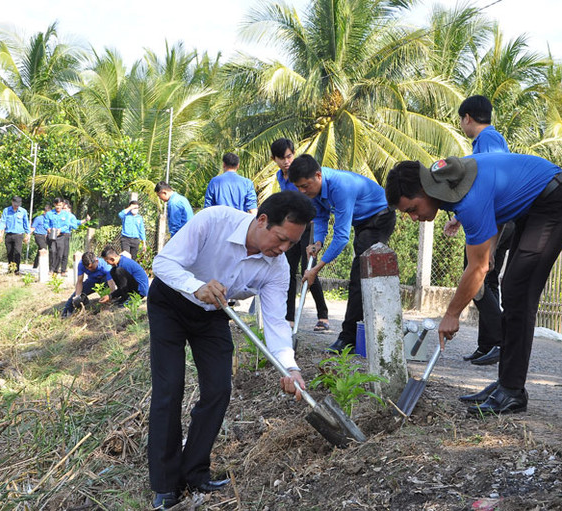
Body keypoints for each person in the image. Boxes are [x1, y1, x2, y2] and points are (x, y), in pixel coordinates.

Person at [147, 191, 314, 509]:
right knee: (169, 388)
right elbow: (163, 263)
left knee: (219, 388)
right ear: (262, 220)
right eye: (280, 239)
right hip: (170, 301)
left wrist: (290, 367)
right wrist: (196, 286)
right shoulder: (214, 220)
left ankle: (194, 472)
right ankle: (166, 484)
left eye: (291, 244)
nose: (282, 250)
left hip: (213, 314)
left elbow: (277, 324)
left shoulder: (276, 267)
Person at [384, 153, 562, 414]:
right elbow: (501, 199)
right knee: (514, 291)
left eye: (412, 209)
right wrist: (491, 245)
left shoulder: (467, 201)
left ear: (426, 190)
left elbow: (477, 268)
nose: (413, 217)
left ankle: (512, 392)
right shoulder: (451, 182)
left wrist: (451, 314)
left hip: (558, 200)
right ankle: (506, 384)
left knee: (517, 291)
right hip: (537, 204)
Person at [288, 154, 396, 353]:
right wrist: (317, 243)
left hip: (380, 218)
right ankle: (361, 334)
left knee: (359, 275)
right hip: (362, 223)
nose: (302, 192)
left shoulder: (340, 187)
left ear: (318, 176)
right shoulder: (316, 192)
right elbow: (320, 217)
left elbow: (341, 237)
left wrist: (316, 269)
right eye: (298, 188)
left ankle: (348, 338)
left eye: (305, 186)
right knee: (361, 276)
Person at [453, 95, 512, 366]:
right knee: (487, 281)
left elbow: (490, 184)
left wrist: (489, 240)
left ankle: (500, 340)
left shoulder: (488, 140)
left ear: (467, 118)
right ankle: (488, 344)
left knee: (476, 277)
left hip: (497, 219)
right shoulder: (491, 139)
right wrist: (459, 218)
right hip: (497, 217)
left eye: (461, 121)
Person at [271, 138, 330, 331]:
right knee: (287, 270)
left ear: (293, 154)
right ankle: (289, 317)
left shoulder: (303, 173)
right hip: (292, 229)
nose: (286, 161)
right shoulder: (281, 177)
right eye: (281, 158)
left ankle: (323, 316)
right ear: (274, 159)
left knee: (308, 269)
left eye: (289, 156)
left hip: (311, 227)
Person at [61, 251, 115, 318]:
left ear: (96, 261)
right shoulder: (81, 264)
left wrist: (111, 296)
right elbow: (79, 282)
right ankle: (65, 314)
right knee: (73, 298)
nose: (90, 269)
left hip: (105, 282)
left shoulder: (105, 266)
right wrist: (78, 296)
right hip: (92, 282)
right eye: (87, 268)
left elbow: (111, 282)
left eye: (91, 267)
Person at [46, 198, 86, 276]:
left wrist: (60, 230)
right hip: (52, 235)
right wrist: (48, 228)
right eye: (57, 205)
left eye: (60, 205)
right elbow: (46, 223)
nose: (58, 207)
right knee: (52, 251)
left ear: (63, 205)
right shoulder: (49, 214)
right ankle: (51, 269)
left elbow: (67, 225)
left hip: (62, 235)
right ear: (54, 205)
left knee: (60, 253)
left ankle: (57, 269)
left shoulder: (67, 215)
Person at [0, 196, 30, 274]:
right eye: (15, 204)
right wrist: (1, 234)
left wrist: (27, 234)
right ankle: (10, 269)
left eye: (18, 204)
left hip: (18, 235)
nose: (16, 205)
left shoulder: (23, 211)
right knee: (9, 253)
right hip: (9, 235)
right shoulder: (6, 210)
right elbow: (3, 222)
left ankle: (17, 270)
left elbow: (26, 223)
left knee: (17, 252)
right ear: (12, 202)